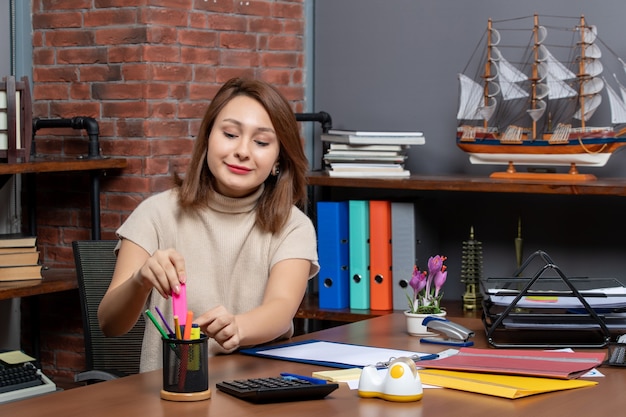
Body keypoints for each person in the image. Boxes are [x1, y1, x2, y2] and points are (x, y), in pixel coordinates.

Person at [97, 77, 319, 372]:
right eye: (230, 134)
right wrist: (140, 280)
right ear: (207, 139)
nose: (242, 151)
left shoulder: (294, 226)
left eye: (261, 142)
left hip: (256, 392)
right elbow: (109, 324)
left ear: (279, 160)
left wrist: (238, 327)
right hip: (170, 396)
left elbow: (280, 309)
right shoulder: (155, 213)